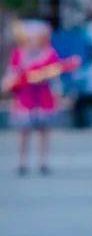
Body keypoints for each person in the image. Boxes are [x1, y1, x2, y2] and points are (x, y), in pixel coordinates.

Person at [3, 20, 61, 175]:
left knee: (44, 130)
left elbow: (57, 73)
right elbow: (12, 73)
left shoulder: (49, 53)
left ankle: (43, 161)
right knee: (24, 130)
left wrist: (45, 77)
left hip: (43, 96)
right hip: (26, 96)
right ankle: (22, 161)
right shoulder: (19, 53)